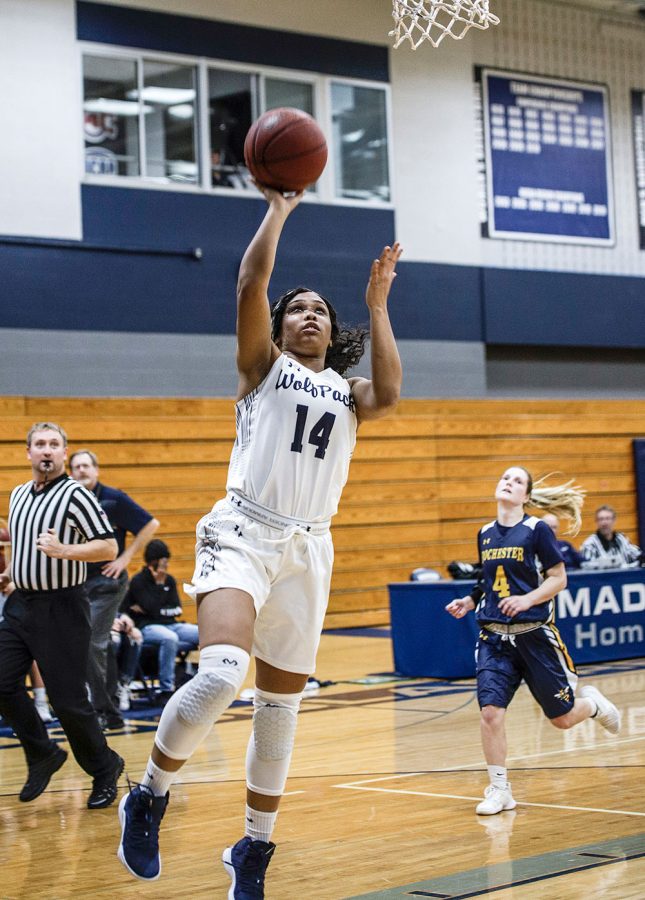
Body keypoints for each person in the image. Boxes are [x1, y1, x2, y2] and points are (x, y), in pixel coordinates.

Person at [117, 182, 402, 894]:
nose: (308, 314)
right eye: (297, 309)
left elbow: (390, 393)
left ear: (333, 333)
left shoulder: (348, 392)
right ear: (278, 329)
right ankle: (148, 793)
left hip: (309, 549)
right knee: (219, 675)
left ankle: (253, 849)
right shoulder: (260, 370)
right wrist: (278, 210)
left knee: (279, 712)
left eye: (320, 311)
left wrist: (375, 304)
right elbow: (251, 278)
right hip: (243, 531)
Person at [445, 466, 621, 817]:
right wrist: (470, 600)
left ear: (526, 496)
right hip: (495, 638)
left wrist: (527, 600)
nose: (507, 483)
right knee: (491, 712)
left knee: (563, 719)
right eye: (504, 478)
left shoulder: (535, 529)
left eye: (516, 481)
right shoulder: (484, 533)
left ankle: (594, 705)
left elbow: (559, 579)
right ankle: (500, 790)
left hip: (534, 636)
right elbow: (490, 579)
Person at [0, 422, 124, 807]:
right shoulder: (19, 495)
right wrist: (12, 573)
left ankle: (104, 768)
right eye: (40, 444)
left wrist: (64, 552)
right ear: (28, 453)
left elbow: (108, 547)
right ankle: (43, 753)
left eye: (54, 444)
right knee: (2, 681)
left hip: (64, 607)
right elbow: (25, 547)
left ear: (64, 453)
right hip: (22, 604)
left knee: (67, 701)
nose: (47, 451)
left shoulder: (75, 496)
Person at [69, 449, 159, 730]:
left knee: (91, 642)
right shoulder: (69, 501)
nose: (81, 471)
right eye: (76, 467)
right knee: (101, 645)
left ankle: (99, 709)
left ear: (96, 470)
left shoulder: (113, 498)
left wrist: (125, 557)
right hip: (79, 584)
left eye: (86, 466)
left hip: (108, 583)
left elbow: (150, 523)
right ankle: (112, 713)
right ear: (70, 472)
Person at [121, 539, 198, 704]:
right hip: (147, 626)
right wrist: (158, 586)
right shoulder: (138, 581)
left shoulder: (169, 580)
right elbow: (151, 608)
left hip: (172, 623)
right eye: (162, 561)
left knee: (202, 633)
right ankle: (166, 689)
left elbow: (177, 609)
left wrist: (157, 609)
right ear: (153, 562)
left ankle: (203, 681)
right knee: (169, 638)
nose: (166, 565)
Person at [580, 504, 642, 570]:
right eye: (601, 519)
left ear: (614, 521)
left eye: (608, 518)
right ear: (596, 522)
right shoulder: (589, 544)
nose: (604, 522)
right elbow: (587, 569)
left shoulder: (622, 539)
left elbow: (638, 555)